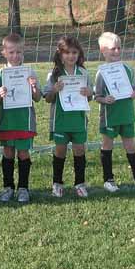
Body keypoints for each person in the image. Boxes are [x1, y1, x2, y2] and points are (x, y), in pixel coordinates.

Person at [95, 32, 135, 192]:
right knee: (107, 145)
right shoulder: (101, 72)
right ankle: (108, 180)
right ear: (103, 50)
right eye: (113, 49)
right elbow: (97, 96)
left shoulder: (127, 68)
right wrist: (105, 99)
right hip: (110, 116)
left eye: (119, 48)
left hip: (127, 114)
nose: (117, 52)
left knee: (131, 146)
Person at [0, 34, 41, 203]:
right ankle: (8, 187)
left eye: (19, 52)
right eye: (11, 52)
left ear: (23, 52)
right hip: (7, 121)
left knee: (23, 153)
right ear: (4, 53)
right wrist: (0, 95)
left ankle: (23, 188)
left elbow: (38, 97)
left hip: (24, 120)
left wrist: (33, 87)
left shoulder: (29, 72)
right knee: (8, 152)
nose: (15, 55)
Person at [43, 35, 93, 198]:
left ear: (79, 54)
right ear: (60, 54)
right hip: (61, 120)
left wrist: (89, 93)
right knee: (60, 151)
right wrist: (54, 90)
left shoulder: (83, 73)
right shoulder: (54, 74)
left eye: (74, 53)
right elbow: (47, 98)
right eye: (67, 53)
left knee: (79, 150)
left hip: (78, 119)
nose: (71, 56)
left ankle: (80, 183)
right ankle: (57, 183)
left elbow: (90, 95)